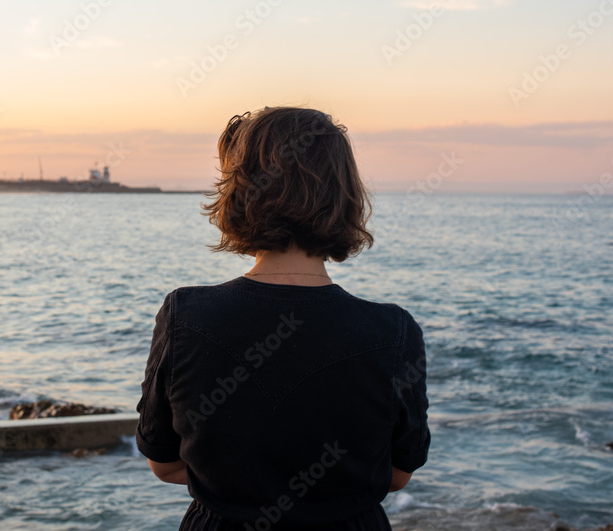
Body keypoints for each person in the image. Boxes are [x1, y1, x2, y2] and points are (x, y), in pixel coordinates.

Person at [136, 106, 430, 530]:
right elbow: (399, 474)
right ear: (344, 195)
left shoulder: (186, 316)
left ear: (237, 193)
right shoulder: (393, 331)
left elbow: (163, 464)